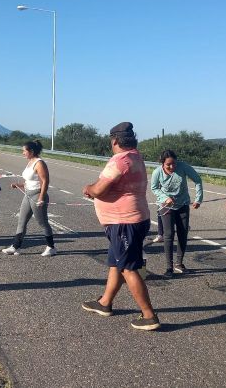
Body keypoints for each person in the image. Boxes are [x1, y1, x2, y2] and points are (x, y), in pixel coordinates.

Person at [81, 122, 160, 331]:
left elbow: (99, 189)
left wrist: (88, 188)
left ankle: (149, 315)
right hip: (133, 218)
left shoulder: (120, 160)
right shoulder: (136, 156)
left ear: (114, 141)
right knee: (116, 263)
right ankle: (105, 303)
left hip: (124, 223)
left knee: (128, 268)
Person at [150, 149, 203, 276]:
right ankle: (169, 267)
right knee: (168, 234)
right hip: (166, 206)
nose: (172, 166)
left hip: (183, 204)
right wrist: (165, 198)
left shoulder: (183, 167)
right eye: (168, 164)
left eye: (174, 163)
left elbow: (197, 180)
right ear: (162, 163)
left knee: (183, 232)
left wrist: (198, 199)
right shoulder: (157, 172)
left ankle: (179, 263)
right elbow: (154, 188)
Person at [2, 140, 56, 256]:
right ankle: (15, 246)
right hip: (27, 194)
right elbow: (29, 181)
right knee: (22, 220)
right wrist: (19, 185)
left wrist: (41, 198)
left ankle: (51, 247)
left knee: (42, 222)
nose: (23, 153)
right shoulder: (30, 162)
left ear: (31, 151)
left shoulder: (39, 163)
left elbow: (45, 181)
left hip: (37, 195)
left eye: (24, 151)